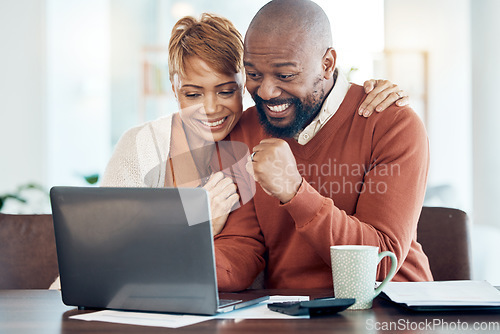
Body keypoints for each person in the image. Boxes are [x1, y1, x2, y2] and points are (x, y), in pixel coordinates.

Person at [49, 12, 411, 290]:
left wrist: (295, 189)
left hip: (370, 304)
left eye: (226, 91)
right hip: (137, 290)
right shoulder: (155, 144)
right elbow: (104, 249)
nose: (210, 108)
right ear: (174, 89)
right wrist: (191, 230)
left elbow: (382, 262)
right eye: (192, 93)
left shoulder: (250, 130)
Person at [213, 0, 433, 292]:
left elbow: (380, 260)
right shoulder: (244, 129)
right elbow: (241, 247)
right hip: (292, 310)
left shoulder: (392, 123)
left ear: (327, 64)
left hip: (389, 306)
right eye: (254, 74)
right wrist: (179, 265)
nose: (265, 91)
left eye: (285, 75)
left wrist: (294, 190)